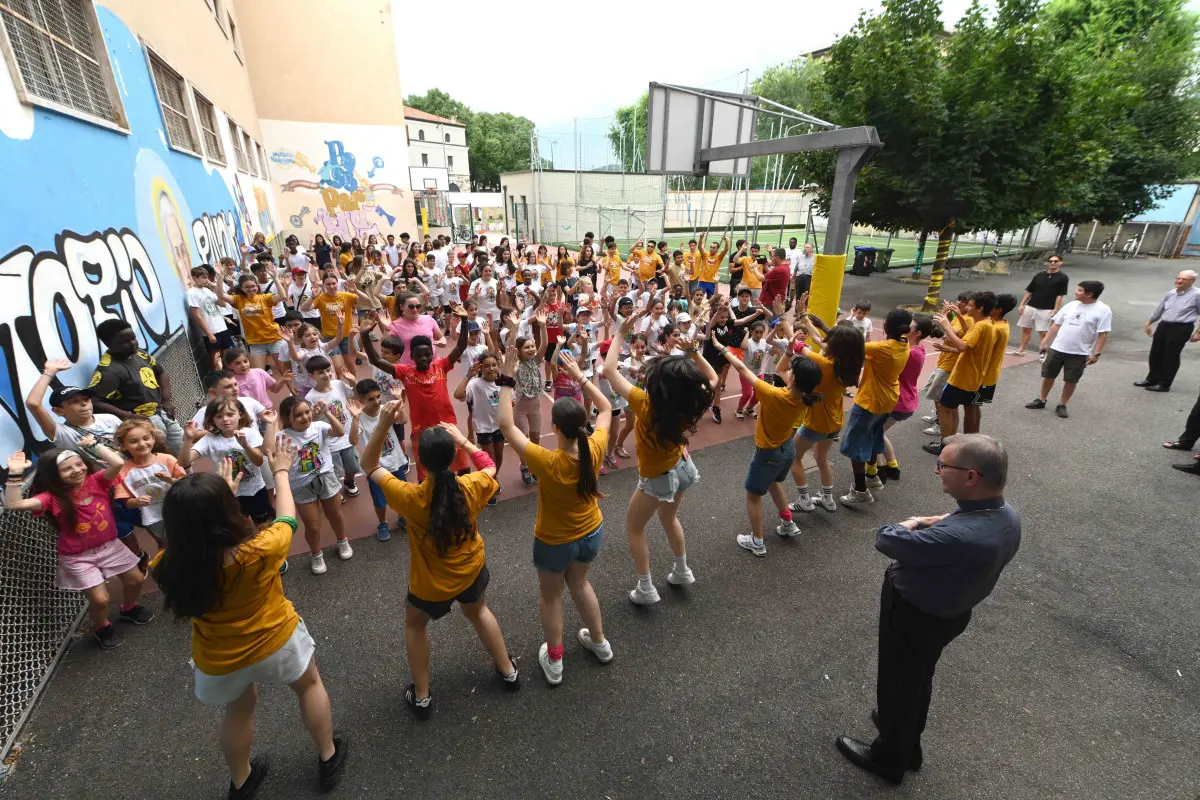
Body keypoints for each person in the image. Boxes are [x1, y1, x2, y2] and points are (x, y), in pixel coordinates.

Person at [152, 439, 349, 797]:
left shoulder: (165, 566)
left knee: (239, 709)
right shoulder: (259, 550)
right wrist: (282, 471)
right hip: (276, 639)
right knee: (309, 686)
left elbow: (194, 536)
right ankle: (327, 756)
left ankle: (241, 781)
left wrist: (212, 501)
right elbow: (287, 518)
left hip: (219, 656)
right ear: (228, 510)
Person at [835, 434, 1020, 786]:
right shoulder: (1005, 515)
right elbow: (955, 529)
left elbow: (886, 538)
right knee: (918, 678)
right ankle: (908, 744)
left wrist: (917, 520)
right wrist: (946, 519)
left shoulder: (958, 536)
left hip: (914, 614)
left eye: (944, 465)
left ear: (971, 477)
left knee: (896, 683)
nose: (937, 470)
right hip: (949, 613)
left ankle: (889, 757)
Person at [360, 412, 520, 719]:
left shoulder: (412, 497)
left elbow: (369, 465)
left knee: (415, 625)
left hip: (430, 585)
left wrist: (382, 425)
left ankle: (422, 697)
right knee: (479, 612)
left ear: (420, 461)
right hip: (472, 570)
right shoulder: (472, 485)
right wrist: (462, 439)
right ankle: (508, 671)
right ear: (453, 456)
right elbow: (489, 465)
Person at [497, 348, 614, 684]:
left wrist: (507, 373)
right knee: (580, 583)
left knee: (551, 596)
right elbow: (606, 407)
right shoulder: (595, 447)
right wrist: (580, 377)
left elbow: (506, 424)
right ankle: (600, 643)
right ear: (582, 424)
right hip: (591, 531)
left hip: (554, 541)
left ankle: (556, 660)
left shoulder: (547, 462)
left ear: (554, 427)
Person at [602, 315, 718, 604]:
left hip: (658, 477)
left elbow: (608, 369)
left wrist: (620, 333)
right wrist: (692, 352)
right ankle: (681, 570)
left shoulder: (645, 403)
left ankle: (645, 588)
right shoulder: (692, 401)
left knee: (634, 528)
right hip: (682, 466)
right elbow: (713, 378)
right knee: (669, 518)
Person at [5, 436, 152, 650]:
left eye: (78, 463)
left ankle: (129, 608)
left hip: (110, 545)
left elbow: (118, 463)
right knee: (100, 599)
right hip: (78, 556)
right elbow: (14, 503)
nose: (76, 470)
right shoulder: (51, 498)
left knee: (136, 579)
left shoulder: (96, 481)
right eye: (67, 469)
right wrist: (15, 473)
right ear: (54, 476)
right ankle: (102, 627)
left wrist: (92, 445)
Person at [719, 345, 822, 556]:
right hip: (787, 448)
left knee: (753, 495)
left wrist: (723, 349)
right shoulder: (805, 397)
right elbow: (782, 368)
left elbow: (740, 367)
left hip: (768, 453)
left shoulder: (773, 394)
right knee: (774, 482)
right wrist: (789, 351)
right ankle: (787, 522)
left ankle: (757, 541)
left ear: (793, 378)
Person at [361, 308, 473, 481]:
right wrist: (365, 336)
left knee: (464, 468)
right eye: (419, 355)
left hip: (448, 426)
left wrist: (465, 321)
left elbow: (461, 345)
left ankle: (459, 498)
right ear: (411, 356)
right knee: (425, 477)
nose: (424, 358)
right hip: (422, 432)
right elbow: (377, 360)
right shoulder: (405, 372)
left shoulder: (441, 366)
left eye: (427, 354)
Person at [789, 319, 866, 514]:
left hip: (816, 423)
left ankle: (804, 499)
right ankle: (827, 498)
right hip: (835, 422)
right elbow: (817, 338)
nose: (826, 339)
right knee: (821, 457)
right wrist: (805, 319)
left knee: (794, 457)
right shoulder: (848, 364)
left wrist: (782, 318)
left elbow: (799, 346)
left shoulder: (825, 363)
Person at [840, 309, 914, 504]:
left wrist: (823, 327)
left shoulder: (883, 347)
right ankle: (872, 477)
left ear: (888, 326)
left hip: (870, 401)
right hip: (888, 400)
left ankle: (860, 490)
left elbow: (851, 345)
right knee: (873, 436)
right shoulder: (904, 344)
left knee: (856, 445)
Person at [277, 396, 352, 574]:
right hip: (301, 484)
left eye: (307, 412)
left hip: (326, 477)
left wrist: (326, 412)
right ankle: (316, 554)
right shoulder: (281, 436)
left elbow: (340, 432)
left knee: (335, 514)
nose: (305, 417)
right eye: (298, 415)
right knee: (312, 525)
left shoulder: (319, 427)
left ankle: (343, 541)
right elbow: (266, 449)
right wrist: (272, 423)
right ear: (288, 418)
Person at [89, 318, 183, 455]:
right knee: (160, 455)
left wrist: (167, 400)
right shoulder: (109, 370)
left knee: (181, 448)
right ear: (109, 344)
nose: (132, 344)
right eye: (124, 342)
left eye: (133, 338)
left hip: (162, 411)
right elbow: (95, 401)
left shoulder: (140, 353)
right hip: (142, 421)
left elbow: (161, 372)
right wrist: (128, 416)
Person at [180, 398, 276, 529]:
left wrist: (246, 445)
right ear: (212, 419)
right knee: (241, 529)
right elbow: (185, 462)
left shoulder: (249, 433)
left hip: (255, 490)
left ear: (240, 414)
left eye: (230, 414)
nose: (225, 419)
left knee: (264, 526)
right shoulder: (209, 440)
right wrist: (188, 439)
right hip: (229, 494)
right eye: (219, 416)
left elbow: (258, 462)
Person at [923, 292, 998, 455]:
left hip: (963, 377)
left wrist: (946, 326)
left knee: (945, 407)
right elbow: (969, 336)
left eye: (970, 305)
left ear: (981, 308)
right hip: (971, 377)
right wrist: (957, 315)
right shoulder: (985, 324)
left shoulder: (981, 326)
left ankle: (946, 446)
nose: (967, 307)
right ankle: (954, 443)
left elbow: (962, 346)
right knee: (952, 407)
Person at [1024, 281, 1111, 419]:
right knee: (1048, 375)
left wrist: (1096, 353)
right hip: (1058, 348)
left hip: (1079, 352)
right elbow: (1056, 325)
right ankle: (1041, 399)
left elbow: (1103, 333)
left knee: (1071, 380)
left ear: (1089, 294)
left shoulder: (1103, 310)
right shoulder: (1071, 305)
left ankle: (1062, 404)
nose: (1075, 292)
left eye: (1080, 290)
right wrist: (1045, 342)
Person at [878, 315, 940, 481]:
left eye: (909, 327)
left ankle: (878, 470)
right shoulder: (917, 349)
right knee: (878, 433)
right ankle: (892, 466)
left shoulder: (910, 353)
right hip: (905, 400)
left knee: (872, 434)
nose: (905, 329)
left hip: (898, 401)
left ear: (918, 333)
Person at [351, 379, 409, 542]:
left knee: (402, 493)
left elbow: (403, 420)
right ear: (361, 400)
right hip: (375, 467)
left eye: (378, 397)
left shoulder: (386, 409)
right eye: (371, 399)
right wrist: (355, 419)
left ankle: (402, 516)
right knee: (379, 500)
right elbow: (353, 440)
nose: (376, 401)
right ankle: (382, 523)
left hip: (395, 460)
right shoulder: (360, 417)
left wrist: (399, 401)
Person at [304, 356, 362, 500]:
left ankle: (349, 482)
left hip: (348, 436)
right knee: (335, 470)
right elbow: (310, 421)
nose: (327, 374)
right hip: (330, 442)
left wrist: (353, 381)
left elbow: (356, 395)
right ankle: (336, 490)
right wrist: (315, 413)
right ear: (312, 375)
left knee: (353, 466)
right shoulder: (311, 397)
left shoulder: (338, 384)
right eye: (321, 372)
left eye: (328, 370)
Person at [1134, 269, 1200, 392]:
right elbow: (1160, 309)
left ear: (1192, 281)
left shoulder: (1197, 294)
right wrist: (1149, 322)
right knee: (1156, 353)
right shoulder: (1172, 293)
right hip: (1164, 325)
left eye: (1183, 279)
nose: (1179, 281)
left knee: (1171, 356)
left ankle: (1164, 383)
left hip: (1181, 328)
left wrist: (1198, 333)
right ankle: (1152, 379)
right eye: (1178, 278)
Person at [1010, 254, 1068, 357]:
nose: (1052, 263)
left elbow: (1060, 295)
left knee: (1043, 332)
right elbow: (1030, 290)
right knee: (1026, 329)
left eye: (1055, 261)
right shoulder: (1040, 275)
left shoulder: (1063, 278)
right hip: (1031, 306)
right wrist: (1022, 304)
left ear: (1060, 263)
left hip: (1046, 308)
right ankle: (1021, 350)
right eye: (1050, 261)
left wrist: (1055, 309)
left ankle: (1042, 353)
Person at [974, 294, 1017, 430]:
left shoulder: (996, 328)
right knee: (973, 406)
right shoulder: (1000, 324)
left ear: (999, 310)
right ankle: (971, 436)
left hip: (984, 375)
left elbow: (980, 348)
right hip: (986, 373)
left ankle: (972, 437)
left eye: (992, 306)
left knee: (972, 407)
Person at [382, 293, 447, 366]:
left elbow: (441, 337)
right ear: (402, 307)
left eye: (418, 306)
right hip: (410, 368)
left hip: (433, 364)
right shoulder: (395, 325)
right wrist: (387, 328)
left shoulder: (428, 319)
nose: (415, 309)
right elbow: (386, 345)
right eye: (411, 307)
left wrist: (442, 342)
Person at [188, 266, 233, 370]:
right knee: (216, 358)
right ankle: (218, 379)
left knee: (227, 356)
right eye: (203, 277)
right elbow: (196, 315)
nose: (206, 280)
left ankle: (228, 377)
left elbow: (222, 304)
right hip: (212, 330)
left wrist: (214, 286)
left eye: (207, 277)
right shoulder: (192, 293)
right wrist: (209, 333)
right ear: (195, 278)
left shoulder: (207, 290)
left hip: (222, 327)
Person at [695, 232, 729, 298]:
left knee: (712, 299)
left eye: (714, 247)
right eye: (710, 247)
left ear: (717, 249)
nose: (711, 249)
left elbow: (726, 250)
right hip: (702, 281)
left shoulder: (719, 257)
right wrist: (701, 238)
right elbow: (699, 247)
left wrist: (726, 241)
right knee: (698, 297)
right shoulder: (705, 255)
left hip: (712, 281)